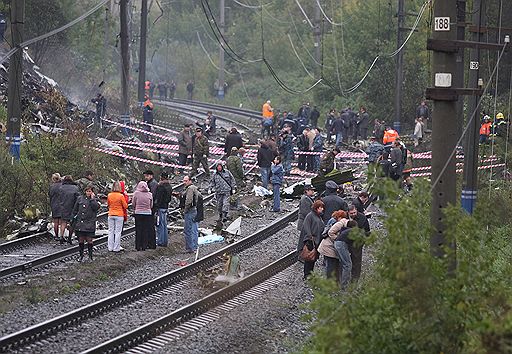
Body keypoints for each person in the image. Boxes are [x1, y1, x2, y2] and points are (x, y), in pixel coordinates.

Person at [72, 185, 100, 262]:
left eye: (90, 191)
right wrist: (73, 218)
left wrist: (92, 199)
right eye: (87, 191)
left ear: (92, 192)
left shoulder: (95, 200)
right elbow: (75, 209)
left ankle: (90, 256)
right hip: (80, 223)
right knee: (80, 240)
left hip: (90, 223)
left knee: (89, 240)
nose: (88, 193)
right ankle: (81, 256)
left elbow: (96, 207)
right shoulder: (80, 198)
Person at [298, 200, 325, 279]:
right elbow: (306, 226)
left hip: (316, 240)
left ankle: (310, 273)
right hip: (311, 241)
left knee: (313, 258)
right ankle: (307, 275)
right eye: (321, 207)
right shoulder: (310, 216)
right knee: (309, 258)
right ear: (317, 208)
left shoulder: (318, 216)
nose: (322, 209)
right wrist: (310, 236)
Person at [319, 210, 349, 280]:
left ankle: (332, 282)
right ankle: (329, 283)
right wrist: (338, 239)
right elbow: (330, 232)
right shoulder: (339, 223)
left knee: (331, 265)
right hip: (329, 247)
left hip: (328, 247)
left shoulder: (334, 221)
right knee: (330, 266)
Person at [333, 220, 358, 290]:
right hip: (341, 244)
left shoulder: (344, 230)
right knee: (348, 265)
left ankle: (341, 283)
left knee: (343, 264)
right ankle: (344, 286)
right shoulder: (351, 231)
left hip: (337, 244)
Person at [348, 205, 370, 281]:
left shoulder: (362, 218)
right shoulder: (346, 217)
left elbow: (367, 231)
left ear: (356, 210)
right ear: (348, 213)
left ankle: (355, 278)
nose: (353, 214)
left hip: (358, 241)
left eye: (354, 212)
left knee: (356, 260)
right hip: (347, 241)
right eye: (351, 213)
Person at [107, 181, 128, 252]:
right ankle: (116, 248)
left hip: (111, 214)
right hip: (119, 215)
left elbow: (108, 204)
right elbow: (125, 206)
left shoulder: (109, 195)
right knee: (118, 232)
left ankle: (110, 247)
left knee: (110, 231)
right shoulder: (121, 196)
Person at [132, 181, 154, 251]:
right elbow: (151, 205)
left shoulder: (136, 194)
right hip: (147, 214)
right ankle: (144, 246)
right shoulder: (150, 194)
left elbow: (133, 203)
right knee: (145, 230)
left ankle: (138, 246)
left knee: (138, 230)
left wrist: (136, 208)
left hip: (138, 213)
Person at [59, 175, 80, 245]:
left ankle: (61, 236)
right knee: (72, 223)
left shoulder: (61, 187)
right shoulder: (75, 188)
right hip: (72, 207)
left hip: (63, 207)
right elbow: (78, 198)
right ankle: (69, 238)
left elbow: (59, 197)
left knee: (63, 222)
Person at [181, 175, 199, 253]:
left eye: (186, 181)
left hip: (190, 211)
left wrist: (185, 210)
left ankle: (190, 248)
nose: (184, 182)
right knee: (194, 229)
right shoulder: (194, 188)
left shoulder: (190, 189)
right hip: (194, 210)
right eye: (183, 181)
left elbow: (189, 200)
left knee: (188, 229)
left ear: (190, 181)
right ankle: (194, 246)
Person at [154, 172, 173, 247]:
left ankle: (160, 241)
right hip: (166, 207)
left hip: (160, 208)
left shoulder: (161, 187)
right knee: (164, 225)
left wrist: (155, 207)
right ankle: (165, 241)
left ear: (161, 177)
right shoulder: (169, 186)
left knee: (160, 225)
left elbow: (158, 198)